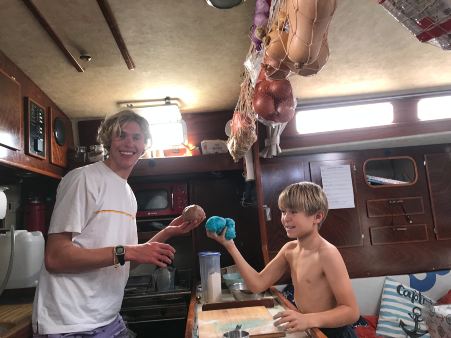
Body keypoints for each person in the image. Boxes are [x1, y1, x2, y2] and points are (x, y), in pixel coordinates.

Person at [32, 110, 205, 337]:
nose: (129, 143)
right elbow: (55, 258)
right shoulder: (83, 179)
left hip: (106, 319)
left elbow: (124, 261)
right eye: (120, 135)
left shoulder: (128, 194)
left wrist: (167, 231)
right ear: (107, 141)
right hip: (69, 324)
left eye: (136, 137)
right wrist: (129, 252)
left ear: (145, 145)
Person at [207, 181, 359, 338]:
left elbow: (351, 311)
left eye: (293, 212)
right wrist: (230, 246)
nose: (286, 218)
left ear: (317, 216)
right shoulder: (290, 250)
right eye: (283, 211)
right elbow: (257, 285)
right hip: (311, 329)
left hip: (334, 333)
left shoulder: (327, 253)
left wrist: (307, 319)